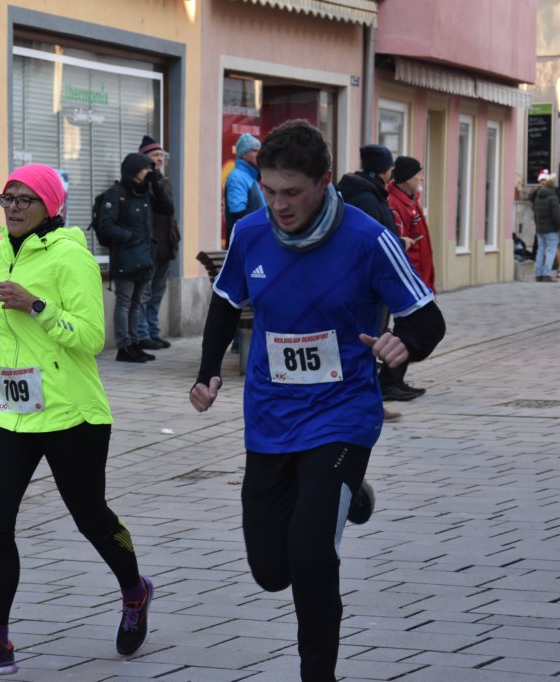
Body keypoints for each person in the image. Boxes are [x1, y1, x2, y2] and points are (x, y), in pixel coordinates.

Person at [188, 120, 445, 682]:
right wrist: (208, 373)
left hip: (342, 416)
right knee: (270, 570)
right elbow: (226, 303)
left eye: (292, 192)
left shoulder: (366, 238)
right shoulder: (252, 233)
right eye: (269, 190)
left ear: (324, 182)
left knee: (309, 555)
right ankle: (350, 499)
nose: (278, 205)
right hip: (270, 417)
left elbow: (427, 318)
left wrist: (405, 343)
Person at [0, 164, 154, 677]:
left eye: (25, 199)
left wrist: (37, 305)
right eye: (7, 198)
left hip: (72, 412)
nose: (13, 208)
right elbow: (1, 307)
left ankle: (135, 591)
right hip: (10, 408)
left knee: (92, 518)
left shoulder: (72, 257)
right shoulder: (2, 250)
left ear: (49, 207)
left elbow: (91, 338)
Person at [338, 144, 411, 413]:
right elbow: (369, 241)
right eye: (389, 167)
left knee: (367, 342)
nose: (391, 172)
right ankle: (366, 403)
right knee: (369, 343)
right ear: (383, 170)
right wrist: (398, 245)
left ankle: (367, 401)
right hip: (367, 283)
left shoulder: (363, 191)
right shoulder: (367, 198)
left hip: (364, 281)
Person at [97, 152, 173, 362]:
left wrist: (155, 183)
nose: (148, 172)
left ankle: (135, 343)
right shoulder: (116, 193)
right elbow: (106, 225)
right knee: (124, 301)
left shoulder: (145, 194)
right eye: (145, 168)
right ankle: (124, 346)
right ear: (133, 171)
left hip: (144, 256)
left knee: (137, 302)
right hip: (125, 256)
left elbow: (167, 208)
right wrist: (129, 237)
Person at [384, 155, 435, 400]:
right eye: (418, 175)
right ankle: (389, 381)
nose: (421, 178)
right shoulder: (395, 204)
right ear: (406, 179)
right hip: (406, 279)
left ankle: (395, 380)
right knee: (410, 331)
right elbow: (400, 244)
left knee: (409, 330)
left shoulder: (410, 201)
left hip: (417, 278)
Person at [135, 136, 181, 351]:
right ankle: (143, 334)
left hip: (165, 245)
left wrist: (174, 237)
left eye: (161, 155)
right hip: (149, 246)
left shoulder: (163, 181)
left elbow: (170, 211)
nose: (160, 159)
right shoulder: (141, 183)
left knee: (157, 292)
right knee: (144, 294)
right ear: (144, 158)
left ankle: (154, 331)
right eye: (155, 155)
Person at [224, 132, 266, 237]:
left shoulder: (252, 177)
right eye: (255, 151)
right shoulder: (237, 177)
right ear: (244, 154)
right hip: (245, 240)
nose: (259, 154)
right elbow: (238, 214)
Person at [532, 170, 560, 282]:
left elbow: (535, 213)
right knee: (551, 251)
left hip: (540, 229)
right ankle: (546, 274)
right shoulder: (553, 198)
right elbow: (557, 216)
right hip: (551, 229)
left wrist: (537, 225)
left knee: (540, 250)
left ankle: (538, 274)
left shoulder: (537, 197)